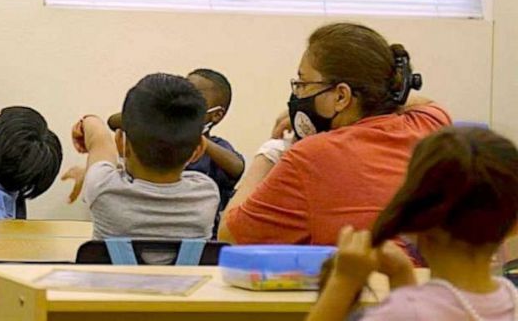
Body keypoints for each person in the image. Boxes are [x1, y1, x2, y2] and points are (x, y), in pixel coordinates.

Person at [219, 22, 451, 245]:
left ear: (341, 96)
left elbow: (230, 235)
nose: (298, 95)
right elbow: (420, 102)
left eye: (303, 83)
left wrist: (269, 153)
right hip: (426, 282)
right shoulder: (430, 124)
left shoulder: (310, 155)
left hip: (365, 283)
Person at [308, 126, 518, 321]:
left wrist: (344, 280)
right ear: (514, 226)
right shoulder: (511, 301)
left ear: (417, 214)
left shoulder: (401, 312)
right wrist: (402, 278)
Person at [72, 73, 220, 240]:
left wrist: (88, 120)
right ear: (198, 150)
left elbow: (99, 140)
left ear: (121, 143)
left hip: (113, 268)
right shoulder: (206, 194)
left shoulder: (103, 187)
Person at [101, 69, 244, 234]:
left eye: (196, 97)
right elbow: (113, 121)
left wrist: (195, 135)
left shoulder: (216, 153)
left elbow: (237, 167)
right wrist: (155, 111)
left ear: (217, 114)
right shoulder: (157, 140)